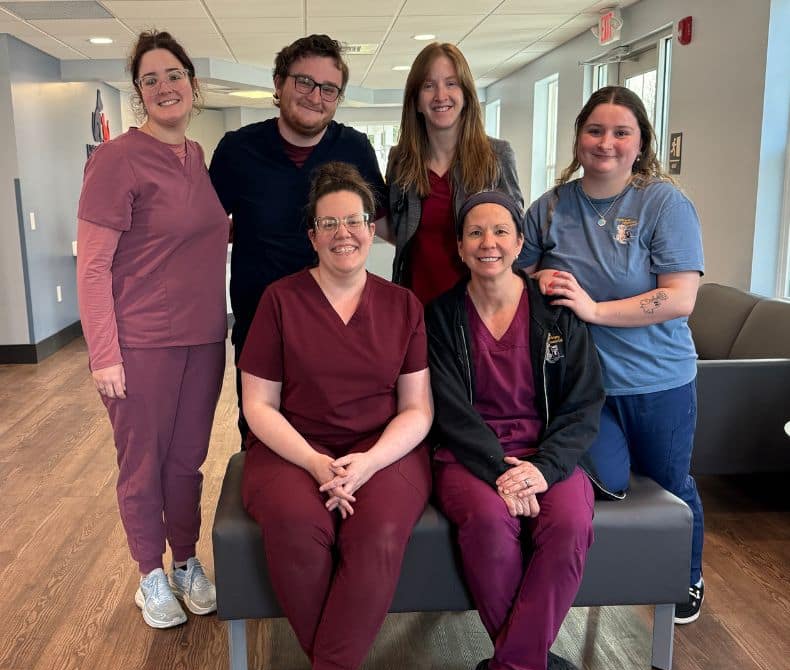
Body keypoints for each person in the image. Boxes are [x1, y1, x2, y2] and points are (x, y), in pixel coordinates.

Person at [239, 163, 433, 670]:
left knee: (375, 536)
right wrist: (317, 464)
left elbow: (418, 409)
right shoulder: (280, 300)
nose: (343, 232)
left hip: (384, 452)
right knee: (297, 527)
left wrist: (369, 462)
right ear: (312, 234)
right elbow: (258, 405)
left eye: (354, 220)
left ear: (372, 229)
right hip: (291, 448)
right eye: (330, 223)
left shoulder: (403, 305)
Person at [426, 191, 605, 670]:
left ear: (520, 243)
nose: (489, 243)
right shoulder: (440, 317)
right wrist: (500, 470)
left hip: (547, 456)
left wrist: (544, 469)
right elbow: (448, 409)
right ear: (459, 247)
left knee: (571, 523)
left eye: (500, 232)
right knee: (485, 522)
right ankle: (538, 664)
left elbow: (583, 404)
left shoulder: (556, 314)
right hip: (469, 457)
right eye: (475, 233)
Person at [524, 85, 705, 624]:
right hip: (584, 386)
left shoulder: (662, 203)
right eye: (594, 130)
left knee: (671, 482)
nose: (606, 142)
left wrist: (594, 309)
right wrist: (539, 278)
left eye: (621, 132)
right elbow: (513, 273)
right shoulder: (552, 205)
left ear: (640, 141)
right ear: (578, 137)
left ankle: (685, 575)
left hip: (657, 379)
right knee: (608, 484)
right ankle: (613, 569)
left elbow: (679, 297)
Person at [76, 31, 227, 629]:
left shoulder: (195, 157)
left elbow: (200, 235)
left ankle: (186, 560)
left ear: (193, 83)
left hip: (205, 338)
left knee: (188, 461)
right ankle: (149, 573)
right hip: (140, 344)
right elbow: (92, 266)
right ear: (139, 94)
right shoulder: (116, 159)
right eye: (150, 79)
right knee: (143, 463)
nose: (165, 87)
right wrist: (104, 355)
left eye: (174, 75)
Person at [209, 34, 388, 444]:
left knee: (339, 440)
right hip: (260, 328)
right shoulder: (238, 150)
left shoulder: (355, 149)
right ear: (278, 83)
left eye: (329, 88)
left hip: (339, 330)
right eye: (303, 82)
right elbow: (204, 231)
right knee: (261, 442)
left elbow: (382, 224)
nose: (315, 96)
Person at [387, 42, 525, 305]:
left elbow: (515, 235)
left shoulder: (497, 155)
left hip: (481, 307)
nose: (441, 95)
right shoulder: (400, 160)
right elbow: (398, 228)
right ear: (415, 100)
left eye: (451, 83)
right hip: (417, 306)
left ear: (466, 94)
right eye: (428, 86)